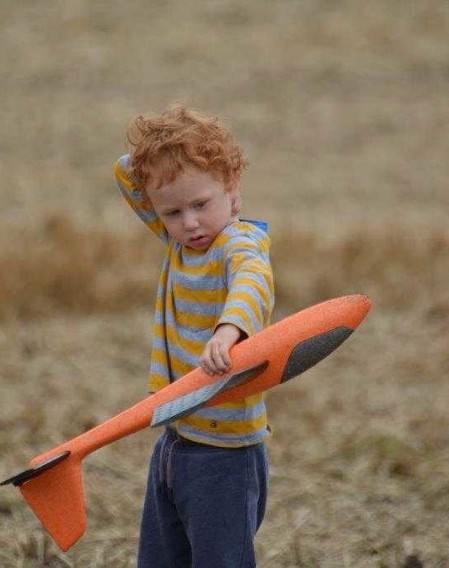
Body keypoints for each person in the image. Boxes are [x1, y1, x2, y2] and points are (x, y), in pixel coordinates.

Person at [113, 105, 275, 567]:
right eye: (173, 212)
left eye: (201, 204)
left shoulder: (237, 245)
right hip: (176, 438)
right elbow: (127, 178)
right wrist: (161, 150)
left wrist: (229, 331)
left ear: (232, 189)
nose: (190, 223)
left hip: (225, 454)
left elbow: (253, 284)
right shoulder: (178, 241)